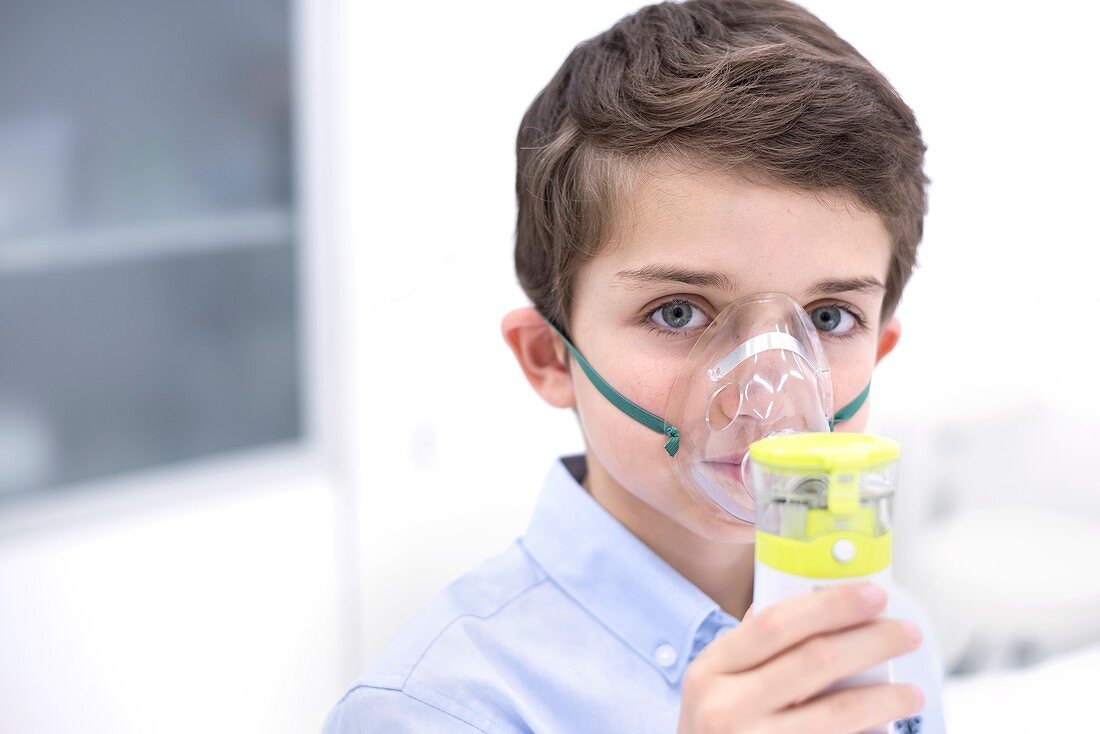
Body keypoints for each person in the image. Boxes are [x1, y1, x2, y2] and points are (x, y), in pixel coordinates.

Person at [326, 0, 945, 731]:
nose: (767, 393)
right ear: (550, 357)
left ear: (878, 350)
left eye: (827, 318)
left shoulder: (883, 640)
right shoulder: (438, 708)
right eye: (679, 312)